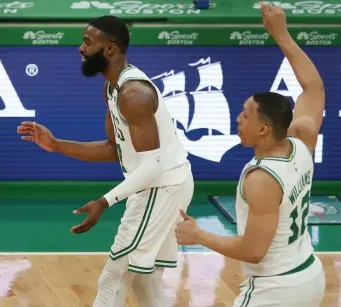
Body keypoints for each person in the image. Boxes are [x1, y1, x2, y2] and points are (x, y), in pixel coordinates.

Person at [17, 15, 194, 307]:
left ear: (110, 49)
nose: (81, 48)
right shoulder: (112, 89)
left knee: (114, 274)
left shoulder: (133, 94)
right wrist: (56, 145)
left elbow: (153, 165)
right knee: (143, 281)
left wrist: (104, 201)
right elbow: (115, 149)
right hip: (162, 183)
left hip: (162, 186)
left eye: (88, 41)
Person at [175, 4, 325, 307]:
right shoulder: (302, 137)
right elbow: (314, 86)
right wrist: (280, 34)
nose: (238, 118)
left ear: (264, 129)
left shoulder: (262, 179)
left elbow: (254, 251)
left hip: (276, 290)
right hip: (310, 274)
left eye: (246, 114)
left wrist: (198, 235)